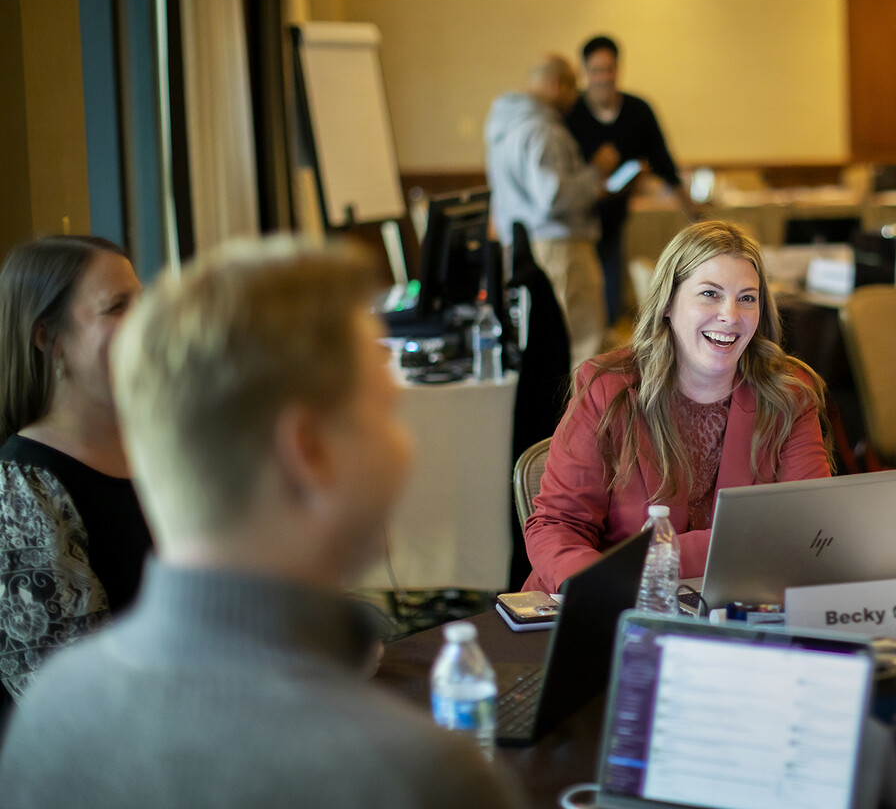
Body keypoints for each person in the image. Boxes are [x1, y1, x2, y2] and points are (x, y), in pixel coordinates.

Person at [0, 238, 522, 808]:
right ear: (307, 451)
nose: (406, 447)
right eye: (385, 415)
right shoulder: (418, 777)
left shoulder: (52, 716)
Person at [524, 220, 829, 592]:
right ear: (668, 302)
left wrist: (655, 553)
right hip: (609, 607)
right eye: (710, 294)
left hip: (732, 607)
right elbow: (557, 525)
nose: (730, 316)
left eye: (747, 298)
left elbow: (809, 528)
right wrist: (602, 589)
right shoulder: (609, 389)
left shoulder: (788, 394)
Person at [0, 235, 150, 721]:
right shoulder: (23, 486)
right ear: (50, 338)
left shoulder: (164, 451)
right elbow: (68, 701)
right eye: (116, 307)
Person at [485, 53, 614, 367]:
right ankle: (585, 416)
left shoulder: (504, 125)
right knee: (583, 344)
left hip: (524, 244)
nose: (574, 99)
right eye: (572, 89)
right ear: (556, 84)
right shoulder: (544, 130)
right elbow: (553, 198)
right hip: (561, 248)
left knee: (549, 343)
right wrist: (596, 172)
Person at [565, 34, 696, 326]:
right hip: (575, 226)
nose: (603, 77)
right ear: (586, 72)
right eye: (596, 70)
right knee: (582, 308)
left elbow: (663, 161)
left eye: (609, 69)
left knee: (611, 304)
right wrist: (596, 170)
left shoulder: (638, 111)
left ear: (617, 69)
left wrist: (692, 211)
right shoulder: (572, 114)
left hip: (613, 221)